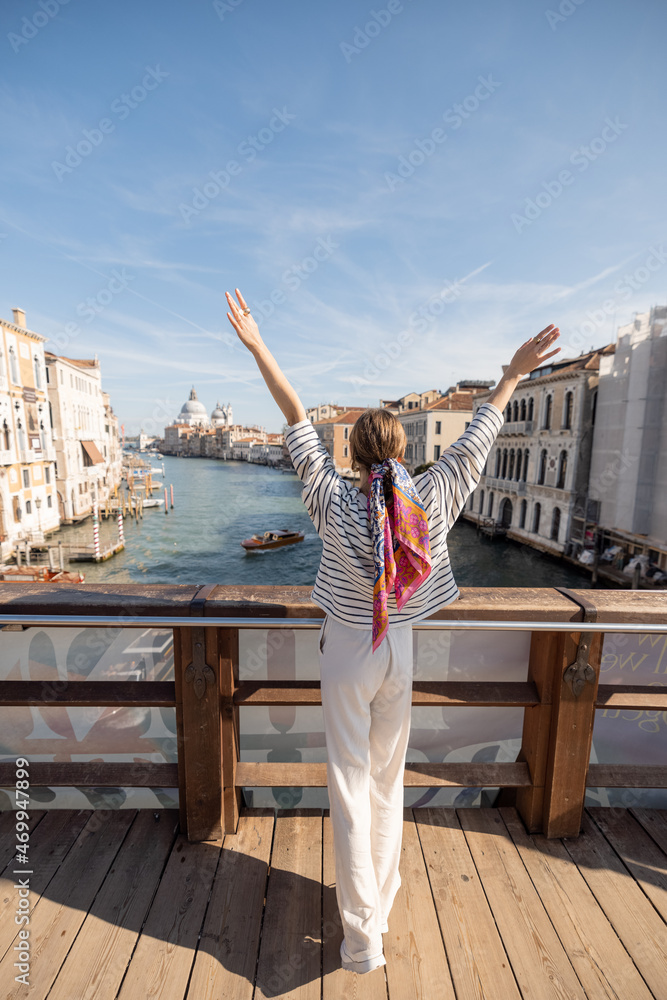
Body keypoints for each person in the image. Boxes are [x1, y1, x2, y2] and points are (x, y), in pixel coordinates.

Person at [226, 287, 560, 974]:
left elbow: (292, 416)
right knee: (386, 782)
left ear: (347, 453)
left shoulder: (327, 498)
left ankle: (360, 943)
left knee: (349, 787)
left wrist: (257, 344)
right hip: (399, 648)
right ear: (403, 449)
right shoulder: (431, 498)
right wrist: (512, 373)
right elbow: (481, 433)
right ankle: (378, 908)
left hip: (348, 650)